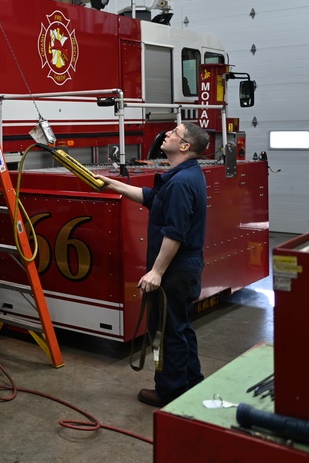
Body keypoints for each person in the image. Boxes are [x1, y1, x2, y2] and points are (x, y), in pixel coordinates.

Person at [100, 121, 209, 408]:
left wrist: (156, 272)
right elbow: (152, 198)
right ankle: (191, 382)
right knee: (180, 327)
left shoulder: (182, 183)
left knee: (167, 330)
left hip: (175, 270)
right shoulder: (184, 175)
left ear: (185, 146)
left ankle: (170, 391)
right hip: (185, 268)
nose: (168, 134)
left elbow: (175, 233)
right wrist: (112, 184)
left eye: (175, 133)